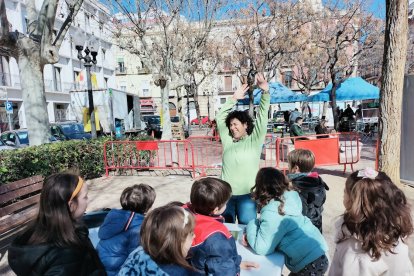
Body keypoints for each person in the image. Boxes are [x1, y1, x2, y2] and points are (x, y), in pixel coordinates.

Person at [8, 173, 106, 276]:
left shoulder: (34, 233)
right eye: (85, 197)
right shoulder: (65, 255)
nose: (88, 200)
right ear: (71, 205)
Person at [244, 167, 329, 276]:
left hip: (308, 263)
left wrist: (252, 224)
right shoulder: (290, 198)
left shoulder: (272, 212)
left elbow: (262, 248)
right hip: (318, 254)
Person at [329, 168, 414, 276]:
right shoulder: (394, 231)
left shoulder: (356, 253)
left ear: (354, 201)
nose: (343, 194)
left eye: (345, 191)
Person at [216, 73, 270, 224]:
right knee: (226, 229)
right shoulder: (228, 141)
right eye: (231, 125)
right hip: (226, 195)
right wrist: (233, 99)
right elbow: (220, 117)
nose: (232, 128)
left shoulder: (254, 140)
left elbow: (262, 118)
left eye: (236, 124)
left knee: (248, 230)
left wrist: (265, 93)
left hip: (248, 196)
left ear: (245, 125)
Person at [184, 177, 258, 275]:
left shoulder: (181, 216)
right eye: (225, 203)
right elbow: (223, 269)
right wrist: (235, 269)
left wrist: (237, 263)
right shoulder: (216, 237)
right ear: (216, 209)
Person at [118, 205, 202, 276]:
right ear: (175, 242)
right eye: (191, 233)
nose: (194, 236)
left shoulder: (137, 254)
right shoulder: (183, 273)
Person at [96, 184, 156, 276]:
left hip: (99, 264)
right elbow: (135, 258)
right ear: (146, 208)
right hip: (117, 271)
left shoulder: (112, 215)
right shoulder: (139, 227)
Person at [287, 149, 329, 232]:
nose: (288, 166)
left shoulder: (292, 185)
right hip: (316, 228)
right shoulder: (318, 182)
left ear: (296, 168)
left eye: (288, 164)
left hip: (300, 230)